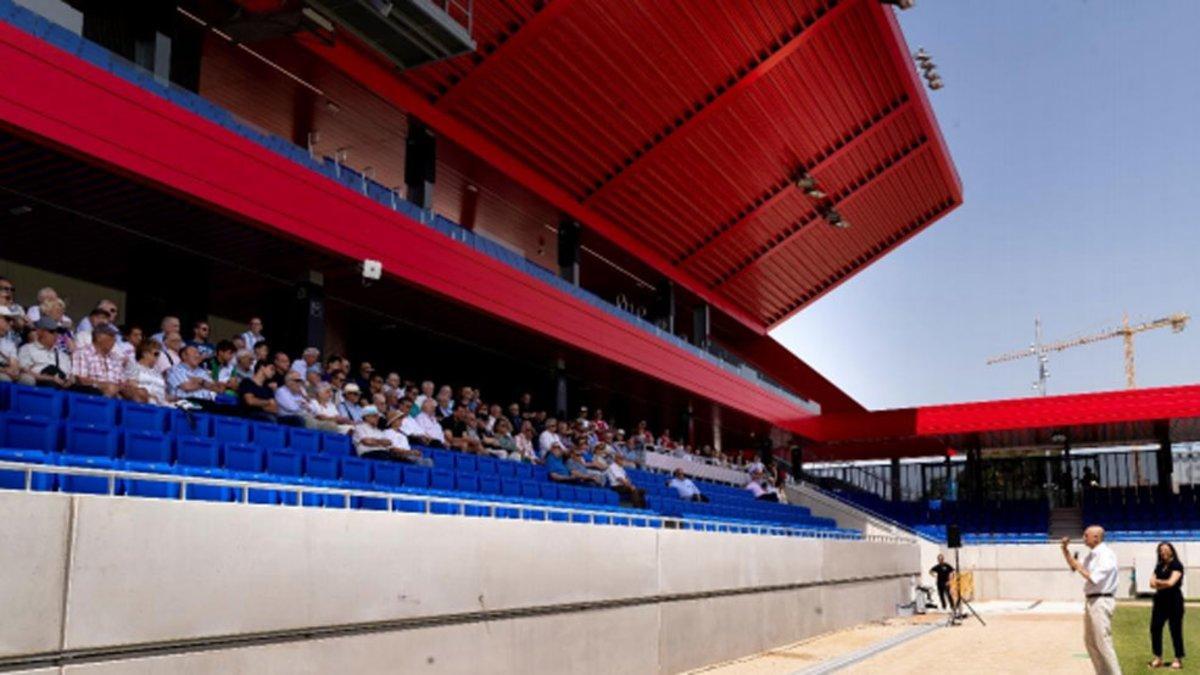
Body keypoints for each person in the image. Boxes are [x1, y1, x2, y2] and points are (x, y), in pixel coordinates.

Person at [1060, 526, 1121, 675]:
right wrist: (1065, 549)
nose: (1083, 537)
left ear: (1096, 537)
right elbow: (1075, 566)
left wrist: (1079, 566)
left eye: (1086, 535)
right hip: (1092, 600)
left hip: (1101, 599)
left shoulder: (1106, 554)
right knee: (1091, 643)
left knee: (1103, 642)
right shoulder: (1092, 555)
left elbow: (1092, 577)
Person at [1148, 541, 1185, 670]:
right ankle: (1158, 658)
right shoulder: (1159, 566)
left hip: (1174, 601)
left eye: (1165, 549)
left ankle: (1178, 659)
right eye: (1160, 549)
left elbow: (1171, 583)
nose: (1163, 551)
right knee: (1155, 628)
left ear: (1171, 550)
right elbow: (1151, 583)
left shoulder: (1177, 565)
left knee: (1175, 630)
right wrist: (1161, 583)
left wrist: (1158, 582)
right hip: (1159, 601)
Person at [70, 323, 126, 397]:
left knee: (141, 393)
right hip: (91, 392)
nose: (115, 340)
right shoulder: (83, 353)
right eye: (111, 336)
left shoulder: (115, 357)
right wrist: (104, 385)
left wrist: (119, 388)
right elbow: (81, 380)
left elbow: (122, 382)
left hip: (116, 391)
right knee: (111, 388)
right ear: (99, 337)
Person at [17, 316, 72, 388]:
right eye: (51, 331)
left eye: (58, 331)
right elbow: (23, 372)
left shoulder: (63, 356)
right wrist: (51, 378)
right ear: (39, 332)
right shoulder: (27, 349)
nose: (56, 335)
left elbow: (70, 376)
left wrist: (70, 381)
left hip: (62, 390)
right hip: (38, 388)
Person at [0, 306, 21, 382]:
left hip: (6, 370)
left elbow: (14, 363)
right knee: (5, 379)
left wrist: (15, 371)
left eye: (11, 320)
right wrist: (4, 370)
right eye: (8, 319)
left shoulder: (9, 343)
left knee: (27, 379)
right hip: (3, 372)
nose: (11, 323)